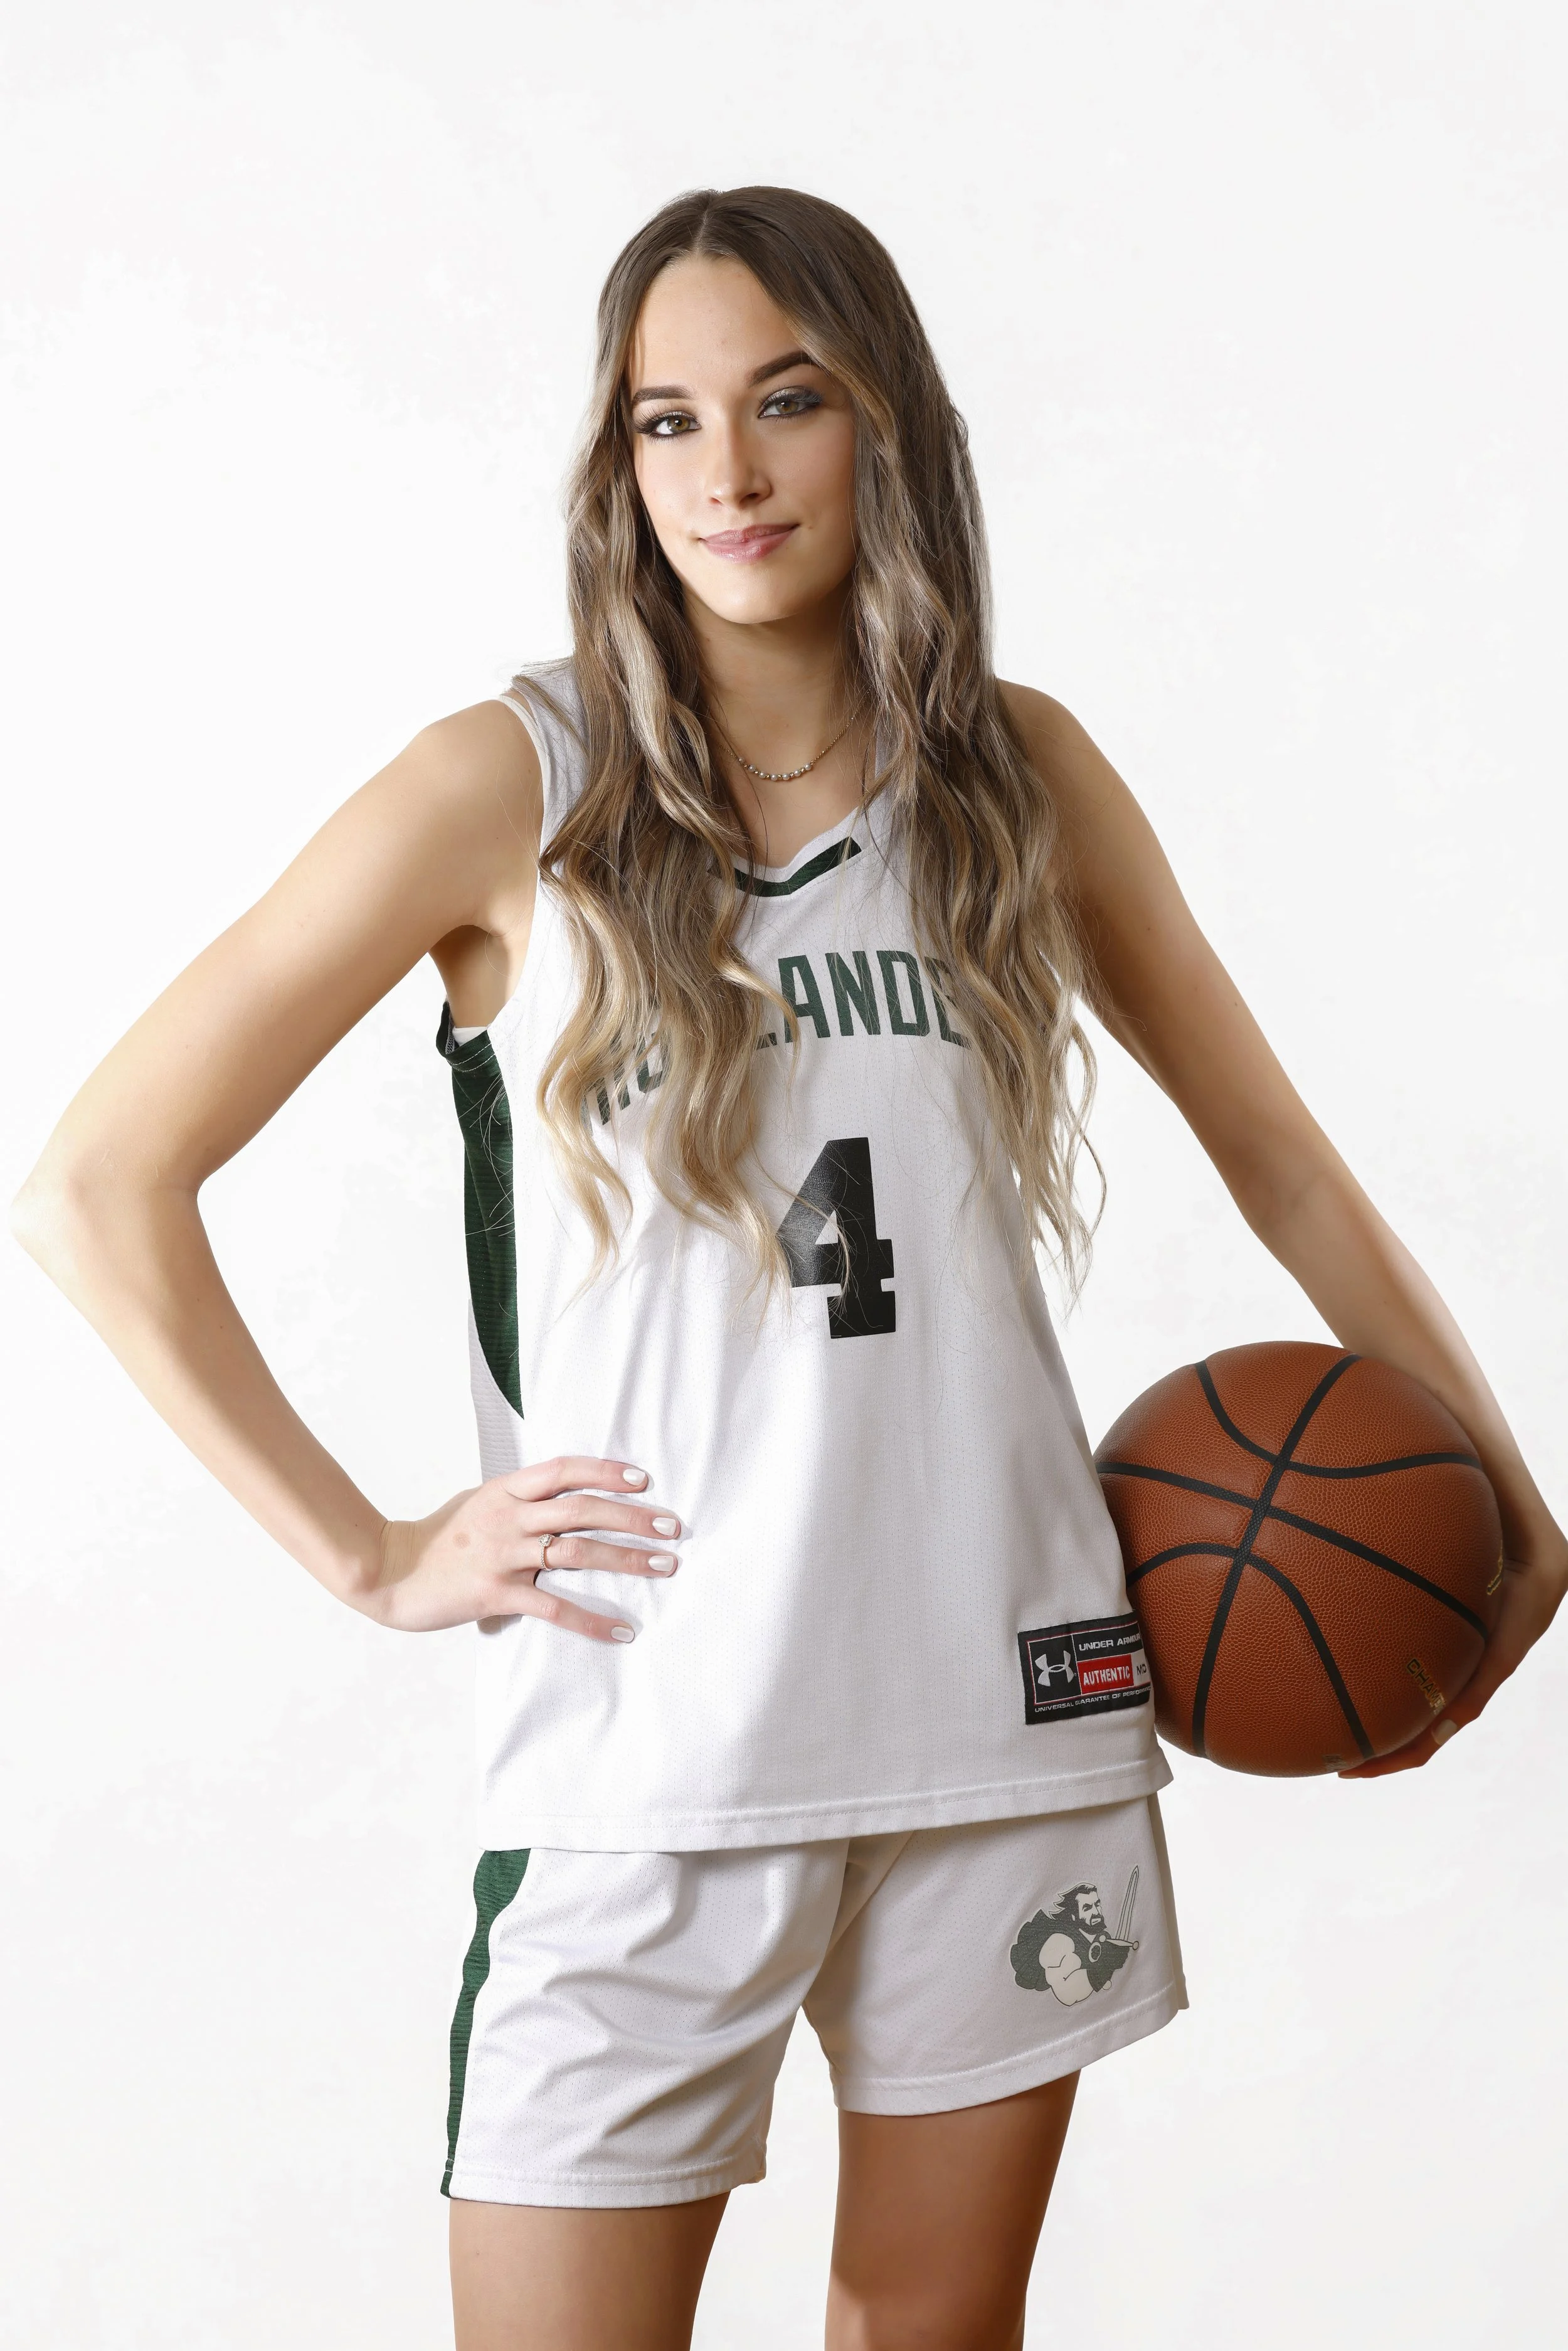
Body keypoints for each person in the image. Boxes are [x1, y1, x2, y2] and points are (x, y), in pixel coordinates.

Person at [13, 183, 1564, 2351]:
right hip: (651, 1736)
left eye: (786, 402)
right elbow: (99, 1179)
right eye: (666, 421)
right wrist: (369, 1553)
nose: (725, 475)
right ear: (614, 461)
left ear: (886, 430)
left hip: (1006, 1697)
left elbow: (1278, 1160)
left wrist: (1508, 1495)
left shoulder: (1016, 781)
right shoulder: (510, 788)